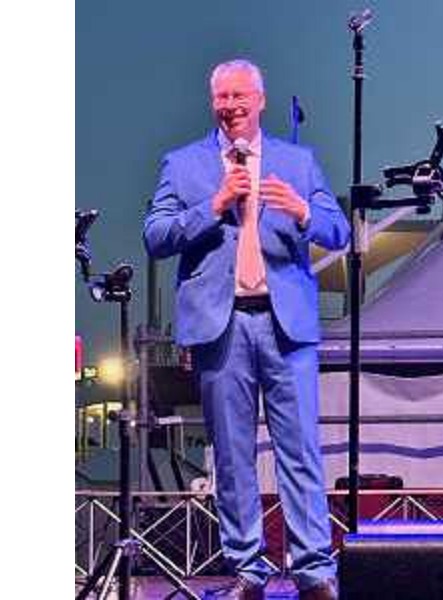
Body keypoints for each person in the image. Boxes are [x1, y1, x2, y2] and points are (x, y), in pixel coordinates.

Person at [143, 59, 350, 600]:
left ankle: (313, 570)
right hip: (222, 326)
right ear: (213, 101)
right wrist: (212, 206)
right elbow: (155, 236)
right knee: (232, 456)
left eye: (240, 96)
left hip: (287, 327)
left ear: (260, 100)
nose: (231, 106)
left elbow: (339, 231)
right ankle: (247, 572)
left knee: (300, 451)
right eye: (222, 97)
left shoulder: (298, 162)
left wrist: (303, 212)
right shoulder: (182, 164)